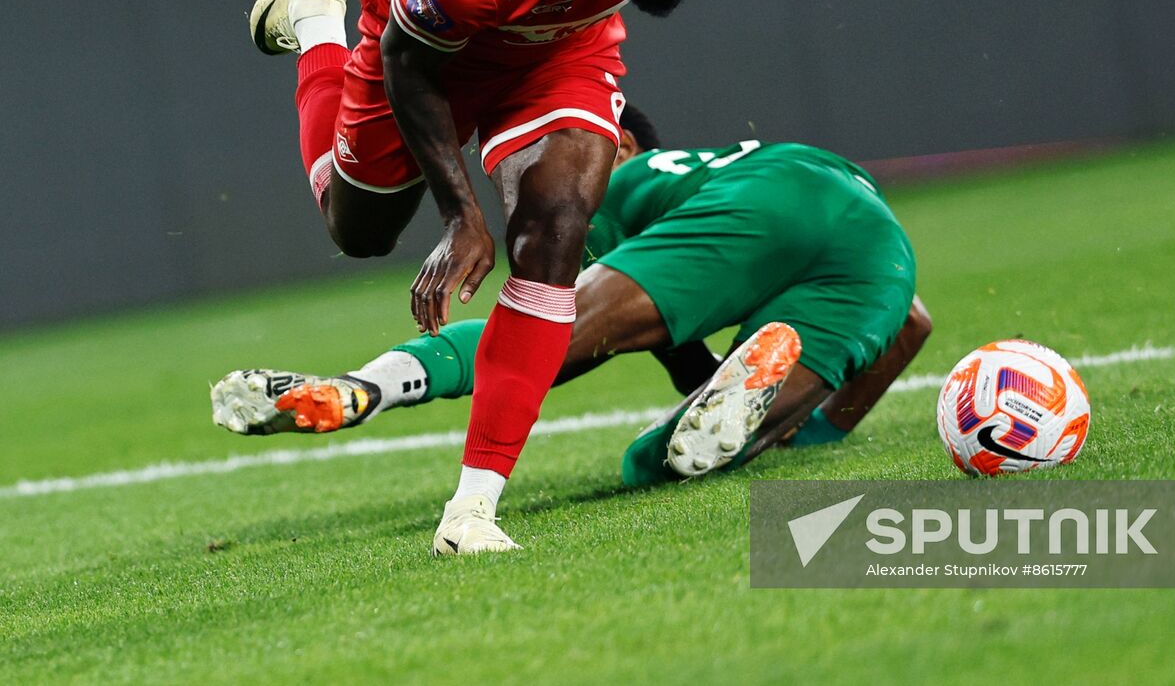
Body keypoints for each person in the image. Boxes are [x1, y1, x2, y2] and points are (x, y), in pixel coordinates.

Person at [244, 0, 713, 555]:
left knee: (554, 232)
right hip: (423, 43)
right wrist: (461, 213)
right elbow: (410, 64)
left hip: (560, 46)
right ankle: (315, 25)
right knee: (357, 231)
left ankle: (471, 511)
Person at [213, 107, 932, 549]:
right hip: (882, 256)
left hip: (766, 199)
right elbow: (913, 329)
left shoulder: (612, 182)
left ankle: (368, 387)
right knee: (694, 449)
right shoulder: (697, 178)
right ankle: (777, 423)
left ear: (613, 141)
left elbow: (545, 349)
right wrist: (817, 425)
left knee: (548, 340)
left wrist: (386, 380)